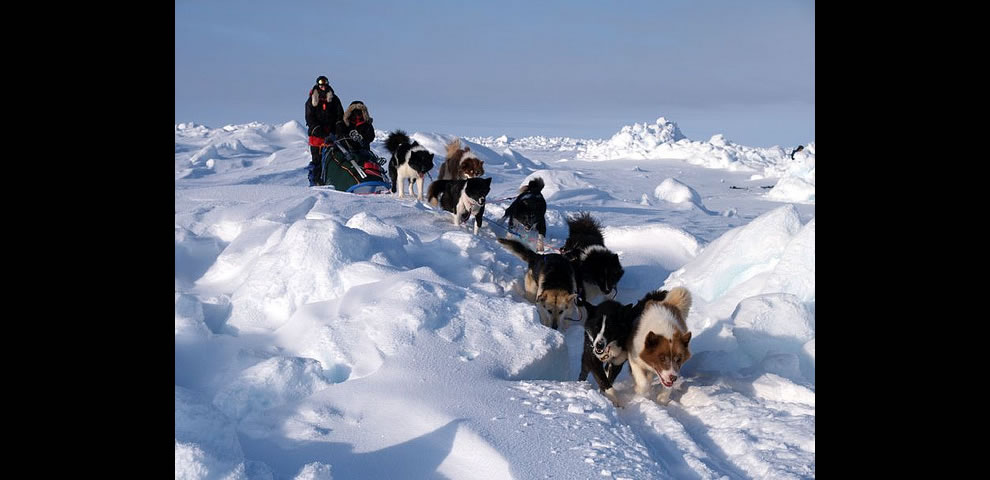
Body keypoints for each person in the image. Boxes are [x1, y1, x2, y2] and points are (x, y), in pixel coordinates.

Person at [305, 75, 344, 186]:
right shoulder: (311, 101)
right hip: (317, 136)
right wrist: (317, 129)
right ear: (318, 85)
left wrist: (338, 128)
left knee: (334, 159)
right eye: (321, 85)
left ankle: (333, 181)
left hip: (331, 135)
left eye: (324, 85)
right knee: (317, 161)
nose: (323, 87)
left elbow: (339, 114)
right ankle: (315, 182)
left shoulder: (334, 99)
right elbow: (309, 117)